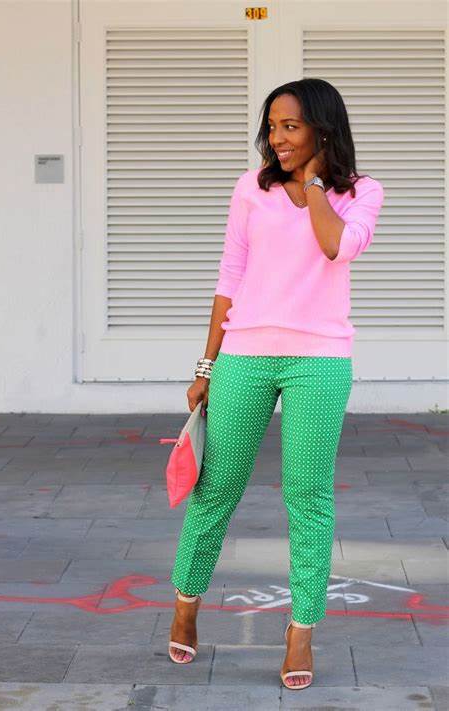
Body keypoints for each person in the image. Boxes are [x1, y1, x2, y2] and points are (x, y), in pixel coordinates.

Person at [167, 77, 385, 690]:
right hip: (245, 355)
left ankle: (300, 634)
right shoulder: (250, 189)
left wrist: (314, 183)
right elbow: (230, 274)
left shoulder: (361, 193)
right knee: (218, 488)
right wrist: (206, 366)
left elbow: (336, 246)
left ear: (322, 127)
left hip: (319, 361)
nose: (276, 137)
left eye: (290, 126)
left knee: (308, 499)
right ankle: (186, 602)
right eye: (271, 126)